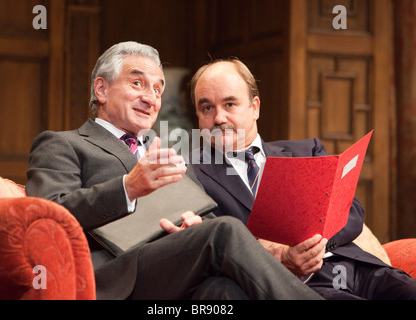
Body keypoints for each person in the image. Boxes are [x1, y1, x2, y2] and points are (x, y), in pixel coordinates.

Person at [25, 41, 322, 300]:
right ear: (101, 89)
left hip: (181, 269)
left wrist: (194, 225)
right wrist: (128, 188)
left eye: (157, 89)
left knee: (224, 293)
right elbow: (46, 217)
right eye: (137, 83)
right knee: (225, 230)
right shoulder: (63, 144)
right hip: (116, 277)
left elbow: (205, 216)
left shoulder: (169, 151)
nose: (151, 98)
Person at [190, 58, 416, 300]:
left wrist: (310, 247)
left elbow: (352, 213)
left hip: (357, 267)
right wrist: (283, 256)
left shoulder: (307, 151)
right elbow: (218, 245)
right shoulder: (192, 174)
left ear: (255, 107)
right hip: (293, 286)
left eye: (230, 104)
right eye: (207, 108)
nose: (219, 118)